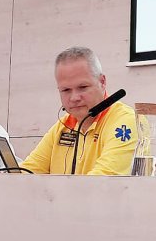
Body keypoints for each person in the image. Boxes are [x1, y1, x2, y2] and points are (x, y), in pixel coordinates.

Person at [21, 46, 137, 175]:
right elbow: (26, 173)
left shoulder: (126, 121)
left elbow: (103, 182)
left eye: (82, 87)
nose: (74, 98)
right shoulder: (63, 125)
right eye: (66, 90)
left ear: (102, 82)